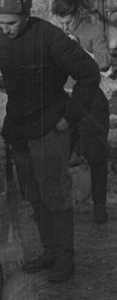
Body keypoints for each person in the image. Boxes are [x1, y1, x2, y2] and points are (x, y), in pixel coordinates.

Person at [0, 0, 100, 283]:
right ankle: (49, 251)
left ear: (27, 14)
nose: (5, 30)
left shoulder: (50, 38)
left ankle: (65, 258)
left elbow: (89, 73)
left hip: (49, 129)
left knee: (55, 194)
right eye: (1, 23)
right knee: (34, 194)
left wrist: (69, 117)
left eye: (11, 23)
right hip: (19, 131)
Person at [51, 0, 111, 224]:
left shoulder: (92, 31)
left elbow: (104, 64)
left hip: (89, 100)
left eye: (69, 22)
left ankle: (99, 207)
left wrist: (79, 50)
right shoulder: (54, 33)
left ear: (78, 13)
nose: (66, 27)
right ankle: (55, 208)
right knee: (56, 154)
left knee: (96, 155)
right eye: (61, 23)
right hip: (63, 99)